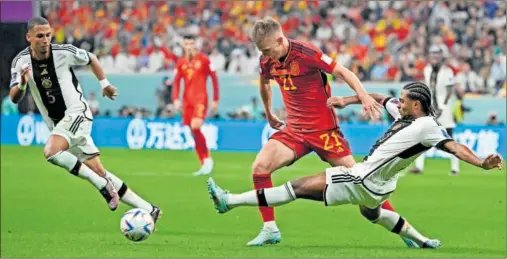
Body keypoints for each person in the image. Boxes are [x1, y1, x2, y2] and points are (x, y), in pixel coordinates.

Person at [207, 82, 503, 248]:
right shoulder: (404, 115)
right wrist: (348, 100)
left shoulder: (427, 126)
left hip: (361, 179)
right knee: (370, 212)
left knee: (296, 187)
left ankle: (229, 201)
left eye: (403, 101)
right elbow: (378, 97)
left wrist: (480, 162)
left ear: (416, 105)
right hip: (382, 186)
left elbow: (453, 146)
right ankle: (422, 241)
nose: (397, 103)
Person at [243, 17, 404, 246]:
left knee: (362, 183)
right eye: (262, 51)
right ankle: (269, 228)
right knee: (260, 167)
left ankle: (405, 229)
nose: (266, 55)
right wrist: (268, 112)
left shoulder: (307, 53)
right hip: (295, 130)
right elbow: (265, 84)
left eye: (268, 50)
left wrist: (365, 96)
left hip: (323, 131)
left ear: (280, 40)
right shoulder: (266, 60)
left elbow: (344, 72)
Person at [9, 17, 161, 222]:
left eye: (48, 35)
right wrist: (24, 84)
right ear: (29, 37)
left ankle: (101, 186)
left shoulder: (63, 53)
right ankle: (149, 208)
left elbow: (91, 58)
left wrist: (104, 84)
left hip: (77, 113)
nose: (45, 40)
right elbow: (15, 97)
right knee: (99, 170)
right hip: (59, 124)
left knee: (51, 151)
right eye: (40, 36)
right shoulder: (20, 62)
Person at [173, 34, 219, 176]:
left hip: (200, 99)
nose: (189, 46)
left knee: (196, 126)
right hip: (187, 101)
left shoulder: (203, 60)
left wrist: (215, 99)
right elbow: (176, 81)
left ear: (195, 44)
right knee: (193, 132)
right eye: (186, 44)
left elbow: (214, 78)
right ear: (183, 45)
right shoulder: (181, 62)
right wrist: (175, 98)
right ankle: (204, 161)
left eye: (191, 43)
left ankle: (208, 159)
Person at [411, 45, 459, 175]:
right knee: (421, 136)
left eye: (437, 54)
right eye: (433, 54)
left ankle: (455, 168)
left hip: (445, 108)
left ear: (441, 56)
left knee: (449, 137)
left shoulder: (447, 71)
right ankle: (419, 166)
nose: (435, 57)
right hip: (431, 108)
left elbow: (450, 91)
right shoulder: (427, 70)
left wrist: (442, 106)